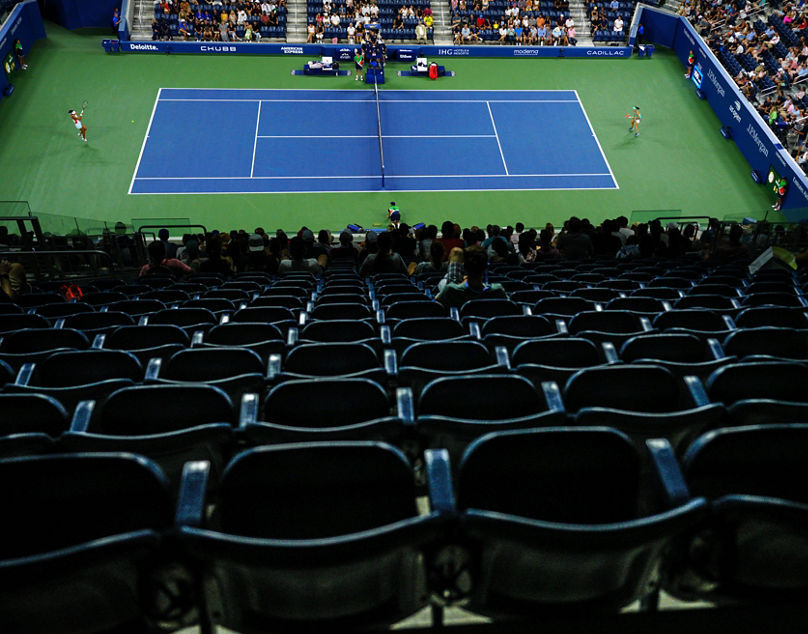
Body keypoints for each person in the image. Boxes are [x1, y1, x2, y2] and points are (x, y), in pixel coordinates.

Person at [434, 245, 507, 308]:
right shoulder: (498, 291)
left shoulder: (451, 290)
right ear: (485, 267)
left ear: (464, 267)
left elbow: (435, 303)